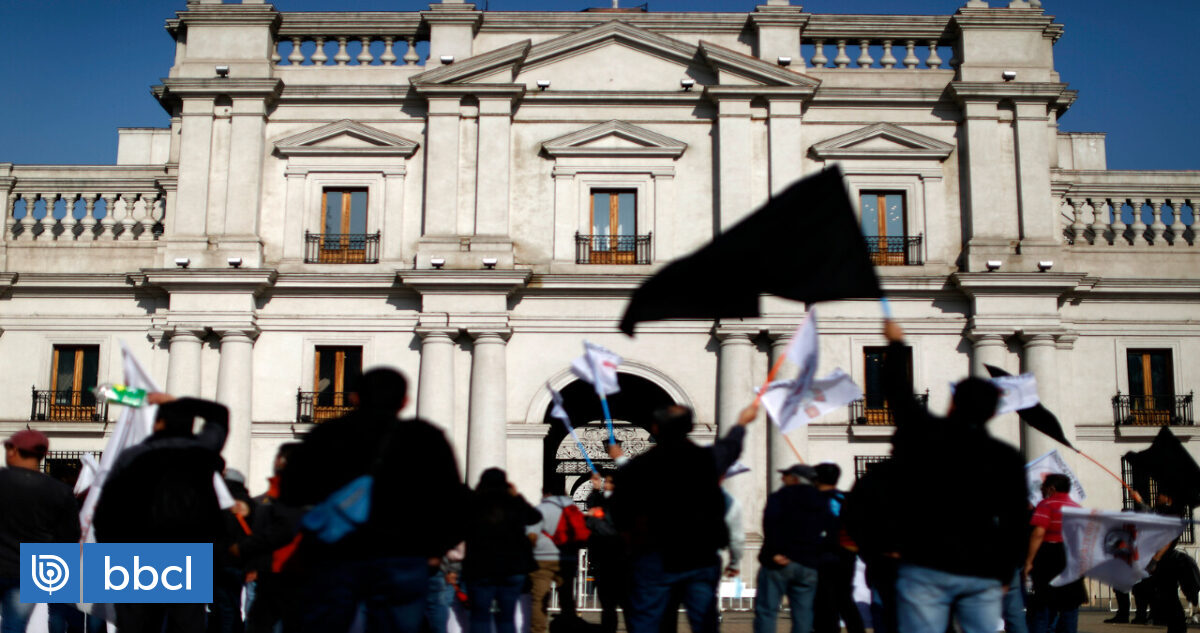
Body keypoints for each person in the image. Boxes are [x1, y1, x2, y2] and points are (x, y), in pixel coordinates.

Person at [279, 368, 468, 633]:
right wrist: (435, 550)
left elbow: (290, 493)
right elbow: (453, 501)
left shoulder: (326, 435)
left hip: (335, 555)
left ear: (355, 397)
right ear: (405, 401)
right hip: (402, 556)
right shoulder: (424, 437)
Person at [881, 320, 1028, 633]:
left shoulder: (925, 434)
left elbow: (898, 394)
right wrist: (1005, 574)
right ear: (991, 413)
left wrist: (894, 345)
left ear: (951, 404)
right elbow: (1015, 521)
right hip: (981, 567)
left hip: (925, 562)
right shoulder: (1005, 456)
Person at [611, 404, 755, 633]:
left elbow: (619, 511)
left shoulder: (640, 466)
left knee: (647, 621)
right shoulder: (706, 459)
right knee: (704, 621)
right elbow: (730, 447)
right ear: (689, 427)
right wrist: (741, 423)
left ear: (655, 428)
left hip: (653, 554)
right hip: (700, 554)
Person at [94, 393, 230, 633]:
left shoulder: (132, 456)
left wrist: (112, 552)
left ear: (159, 424)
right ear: (190, 426)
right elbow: (219, 414)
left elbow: (106, 512)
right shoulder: (202, 452)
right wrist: (175, 401)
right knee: (186, 626)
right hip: (189, 555)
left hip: (135, 556)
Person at [0, 430, 81, 633]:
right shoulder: (60, 491)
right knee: (14, 626)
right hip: (29, 570)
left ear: (14, 450)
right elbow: (69, 538)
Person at [753, 464, 834, 633]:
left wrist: (774, 552)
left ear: (795, 478)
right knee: (803, 614)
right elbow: (826, 528)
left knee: (767, 611)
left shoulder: (780, 496)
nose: (783, 478)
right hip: (808, 563)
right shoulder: (820, 499)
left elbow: (770, 525)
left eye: (786, 475)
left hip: (779, 561)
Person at [462, 468, 542, 633]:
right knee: (507, 617)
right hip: (512, 567)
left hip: (480, 566)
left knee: (479, 616)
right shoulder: (513, 502)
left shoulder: (473, 502)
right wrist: (517, 496)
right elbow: (534, 516)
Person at [237, 443, 304, 633]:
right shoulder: (268, 499)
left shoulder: (288, 497)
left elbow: (280, 532)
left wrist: (245, 551)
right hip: (272, 573)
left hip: (283, 572)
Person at [1024, 474, 1085, 633]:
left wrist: (1029, 561)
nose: (1042, 490)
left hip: (1049, 558)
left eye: (1043, 487)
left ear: (1051, 488)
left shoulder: (1046, 505)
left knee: (1042, 607)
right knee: (1070, 607)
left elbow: (1038, 533)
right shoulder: (1077, 508)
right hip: (1072, 559)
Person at [812, 462, 866, 633]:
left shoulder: (811, 501)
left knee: (824, 600)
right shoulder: (846, 499)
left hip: (822, 556)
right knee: (844, 598)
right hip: (846, 556)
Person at [529, 482, 582, 633]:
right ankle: (569, 628)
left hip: (542, 558)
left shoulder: (540, 509)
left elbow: (532, 535)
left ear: (545, 493)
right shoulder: (573, 509)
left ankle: (538, 630)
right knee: (566, 598)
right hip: (567, 558)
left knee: (539, 599)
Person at [586, 470, 627, 633]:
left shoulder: (624, 504)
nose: (607, 485)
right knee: (608, 606)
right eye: (606, 482)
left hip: (621, 561)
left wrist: (596, 518)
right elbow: (594, 506)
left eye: (611, 483)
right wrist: (595, 488)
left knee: (627, 605)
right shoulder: (602, 502)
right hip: (604, 562)